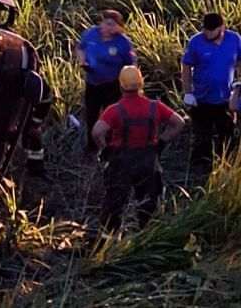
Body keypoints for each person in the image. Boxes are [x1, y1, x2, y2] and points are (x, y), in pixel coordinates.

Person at [92, 65, 185, 232]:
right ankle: (146, 240)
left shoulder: (114, 110)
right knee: (148, 206)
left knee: (114, 207)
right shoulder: (155, 106)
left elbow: (97, 132)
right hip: (148, 161)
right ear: (141, 83)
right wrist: (161, 144)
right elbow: (179, 123)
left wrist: (105, 150)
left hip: (120, 163)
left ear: (120, 86)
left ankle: (107, 243)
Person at [181, 12, 241, 168]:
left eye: (212, 30)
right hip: (201, 99)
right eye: (206, 29)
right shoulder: (196, 42)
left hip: (225, 98)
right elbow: (186, 67)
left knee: (227, 134)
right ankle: (199, 167)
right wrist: (187, 92)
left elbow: (240, 61)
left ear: (222, 27)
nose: (208, 33)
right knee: (202, 136)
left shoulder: (234, 39)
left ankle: (227, 166)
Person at [77, 10, 137, 154]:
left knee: (111, 116)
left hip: (112, 84)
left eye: (113, 25)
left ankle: (111, 146)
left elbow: (132, 63)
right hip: (92, 82)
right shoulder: (90, 34)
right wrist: (82, 60)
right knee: (91, 114)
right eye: (107, 24)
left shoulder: (122, 42)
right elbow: (80, 48)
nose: (110, 28)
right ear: (101, 23)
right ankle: (92, 146)